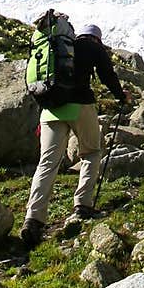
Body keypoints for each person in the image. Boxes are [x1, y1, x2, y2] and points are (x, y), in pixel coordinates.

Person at [19, 21, 129, 248]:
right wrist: (121, 96)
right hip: (80, 105)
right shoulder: (93, 47)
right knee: (91, 152)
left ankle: (33, 219)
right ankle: (83, 205)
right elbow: (107, 74)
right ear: (97, 38)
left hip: (50, 109)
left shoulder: (58, 47)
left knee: (47, 163)